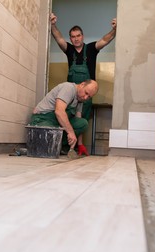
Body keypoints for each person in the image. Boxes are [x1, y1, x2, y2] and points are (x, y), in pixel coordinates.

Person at [50, 12, 117, 155]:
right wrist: (53, 25)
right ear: (71, 38)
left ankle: (78, 145)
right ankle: (66, 146)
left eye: (78, 36)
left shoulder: (92, 49)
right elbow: (58, 38)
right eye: (73, 37)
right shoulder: (69, 50)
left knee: (82, 120)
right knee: (66, 118)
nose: (76, 39)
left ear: (83, 36)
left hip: (86, 95)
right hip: (70, 95)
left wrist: (115, 29)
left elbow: (105, 40)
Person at [29, 80, 99, 152]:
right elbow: (59, 111)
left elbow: (78, 117)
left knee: (83, 123)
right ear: (82, 84)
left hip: (58, 122)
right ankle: (54, 146)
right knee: (49, 136)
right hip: (43, 119)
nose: (85, 98)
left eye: (89, 96)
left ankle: (59, 146)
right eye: (86, 93)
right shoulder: (69, 88)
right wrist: (70, 132)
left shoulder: (80, 99)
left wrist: (80, 144)